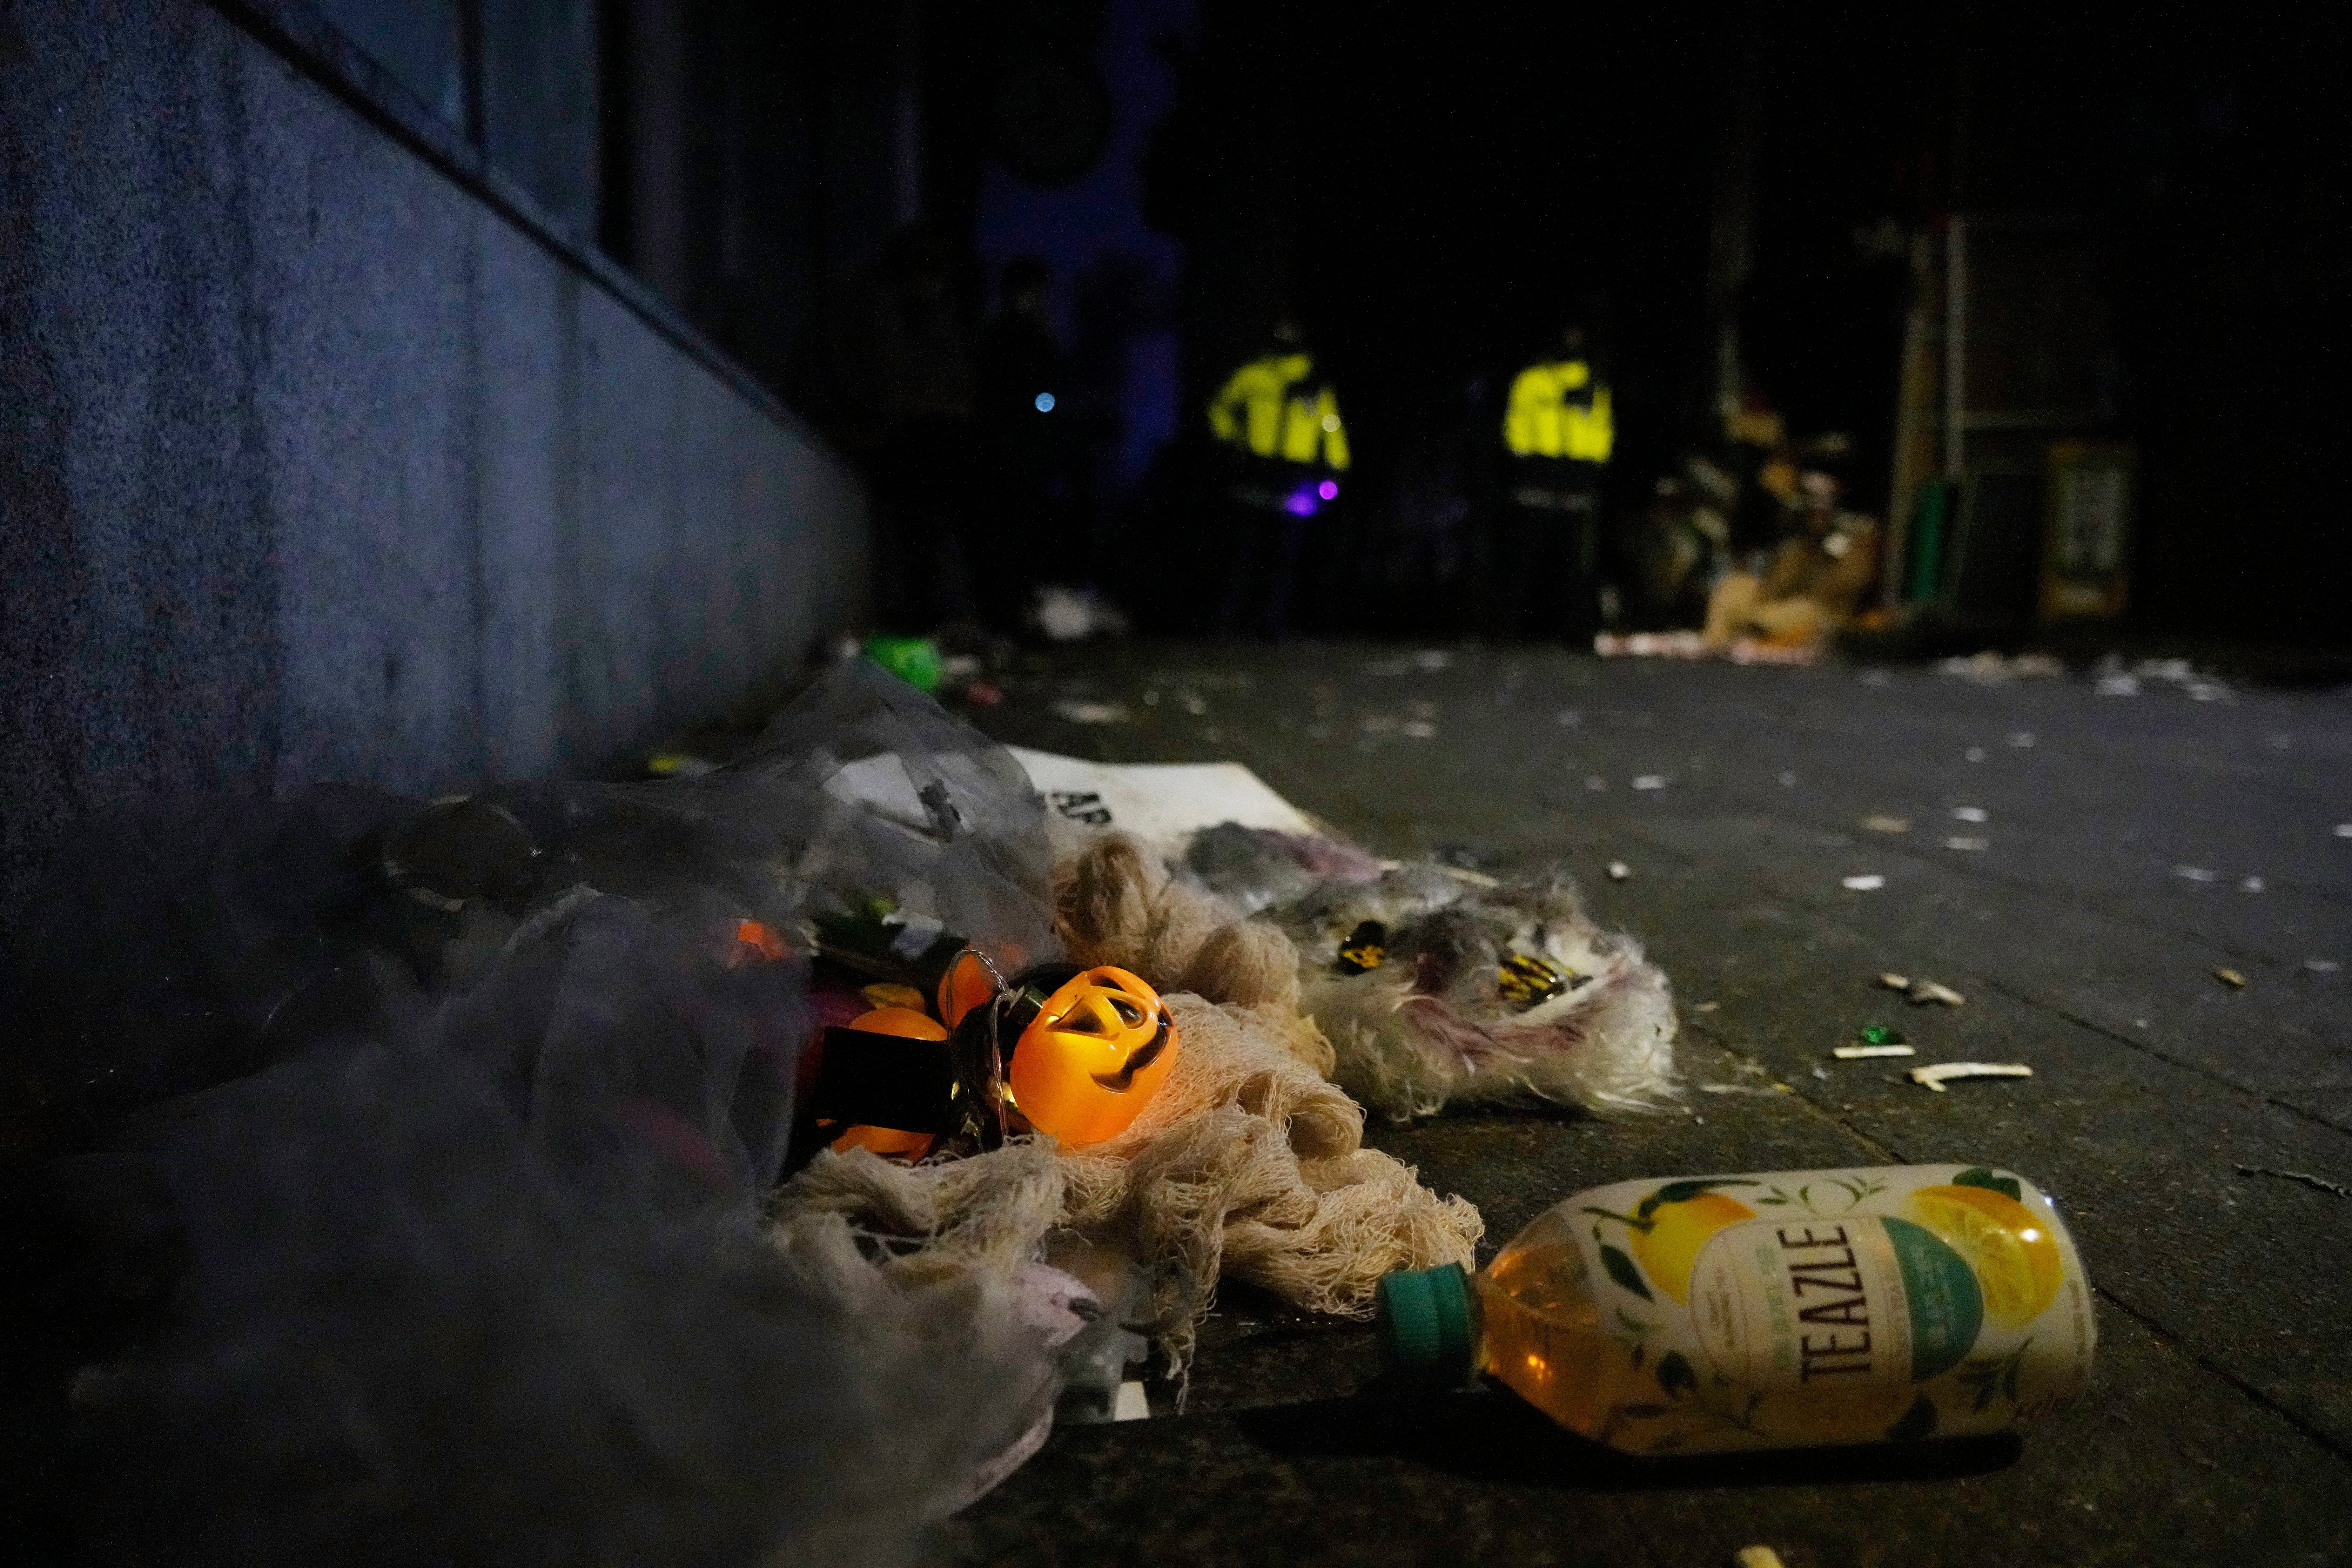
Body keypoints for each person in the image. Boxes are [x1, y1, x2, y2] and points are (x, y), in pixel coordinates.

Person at [1205, 317, 1350, 636]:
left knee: (1283, 553)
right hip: (1257, 468)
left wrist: (1337, 466)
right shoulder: (1253, 375)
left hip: (1296, 474)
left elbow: (1331, 426)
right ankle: (1230, 622)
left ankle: (1271, 623)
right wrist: (1231, 440)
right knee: (1246, 549)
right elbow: (1219, 408)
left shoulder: (1314, 383)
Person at [1496, 325, 1614, 643]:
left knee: (1574, 564)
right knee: (1526, 559)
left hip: (1577, 480)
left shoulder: (1592, 382)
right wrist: (1524, 460)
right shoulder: (1532, 380)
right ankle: (1512, 630)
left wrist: (1593, 465)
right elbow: (1516, 424)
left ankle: (1572, 633)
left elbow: (1603, 429)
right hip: (1538, 476)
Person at [973, 256, 1070, 631]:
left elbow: (1051, 388)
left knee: (1024, 530)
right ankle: (1005, 613)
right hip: (1007, 446)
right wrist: (1039, 409)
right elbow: (1025, 391)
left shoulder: (1033, 332)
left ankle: (1016, 610)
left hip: (1026, 447)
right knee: (1007, 530)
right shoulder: (1006, 334)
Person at [1701, 468, 1880, 653]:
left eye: (1825, 499)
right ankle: (1714, 650)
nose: (1817, 507)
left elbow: (1844, 589)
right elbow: (1774, 589)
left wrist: (1826, 550)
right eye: (1810, 498)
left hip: (1825, 617)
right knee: (1736, 586)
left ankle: (1750, 634)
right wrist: (1804, 548)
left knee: (1806, 610)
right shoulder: (1797, 543)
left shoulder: (1860, 537)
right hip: (1780, 609)